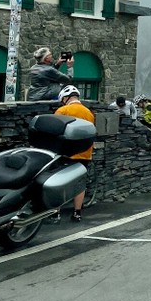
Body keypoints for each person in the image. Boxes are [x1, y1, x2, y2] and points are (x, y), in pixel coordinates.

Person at [55, 85, 94, 222]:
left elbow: (56, 132)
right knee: (79, 183)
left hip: (65, 153)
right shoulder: (88, 112)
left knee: (59, 182)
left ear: (65, 98)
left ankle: (56, 213)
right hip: (84, 153)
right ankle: (77, 213)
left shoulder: (63, 110)